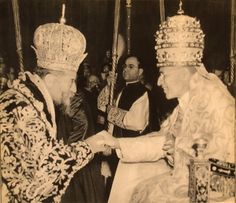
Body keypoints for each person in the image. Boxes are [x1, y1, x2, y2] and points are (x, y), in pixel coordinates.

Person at [101, 7, 235, 203]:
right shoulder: (187, 101)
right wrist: (117, 143)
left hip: (210, 194)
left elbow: (226, 178)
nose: (159, 82)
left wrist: (180, 154)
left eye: (165, 74)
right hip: (186, 182)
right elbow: (163, 141)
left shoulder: (216, 101)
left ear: (183, 71)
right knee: (129, 175)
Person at [0, 17, 108, 203]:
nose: (74, 89)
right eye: (71, 81)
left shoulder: (31, 100)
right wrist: (89, 146)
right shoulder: (21, 107)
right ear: (50, 80)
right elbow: (41, 180)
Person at [98, 55, 159, 197]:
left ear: (140, 71)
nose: (125, 69)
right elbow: (101, 106)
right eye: (124, 66)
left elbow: (136, 122)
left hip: (132, 154)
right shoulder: (120, 89)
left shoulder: (144, 93)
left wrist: (111, 112)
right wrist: (108, 87)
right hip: (115, 151)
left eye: (131, 66)